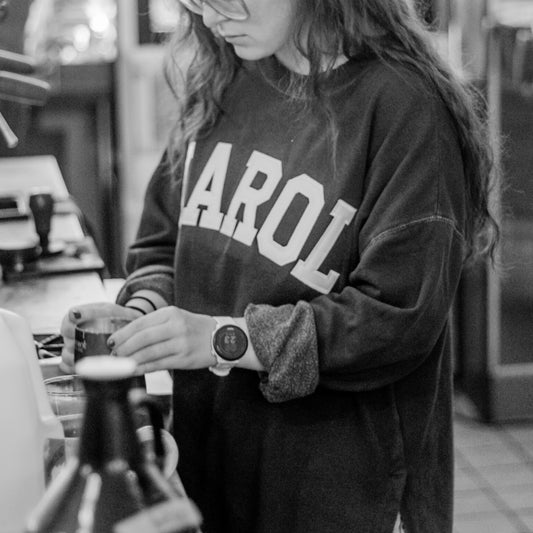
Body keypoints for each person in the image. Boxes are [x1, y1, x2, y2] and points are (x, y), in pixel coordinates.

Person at [60, 1, 500, 531]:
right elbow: (164, 242)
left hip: (344, 494)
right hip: (216, 468)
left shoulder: (406, 110)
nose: (209, 18)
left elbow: (395, 318)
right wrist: (141, 316)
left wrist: (223, 339)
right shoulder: (224, 79)